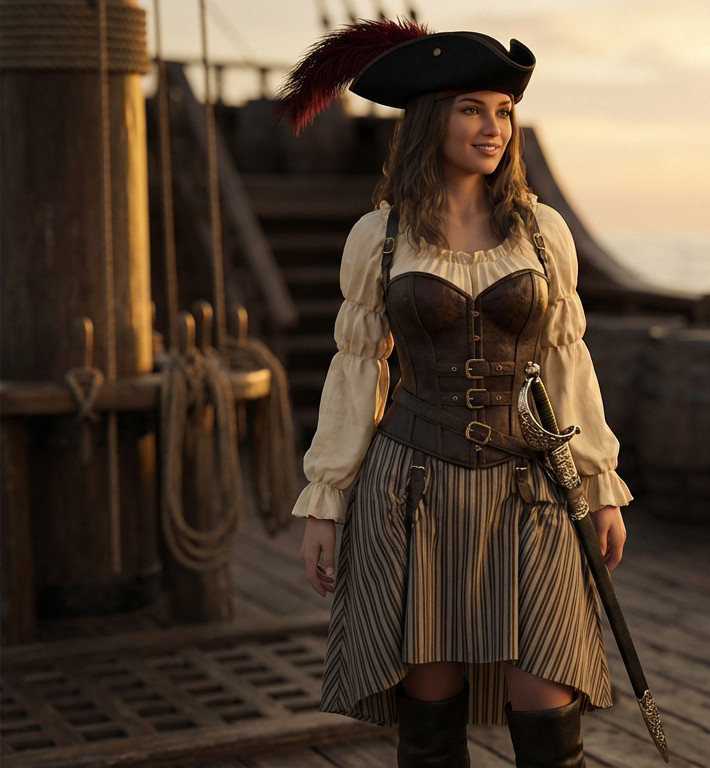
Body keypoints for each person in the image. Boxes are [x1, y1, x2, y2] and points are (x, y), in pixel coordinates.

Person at [276, 19, 631, 768]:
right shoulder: (379, 238)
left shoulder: (541, 233)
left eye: (503, 111)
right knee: (429, 711)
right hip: (415, 489)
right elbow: (357, 372)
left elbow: (568, 363)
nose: (493, 127)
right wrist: (326, 500)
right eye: (473, 108)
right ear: (433, 118)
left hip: (530, 487)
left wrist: (599, 482)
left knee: (548, 689)